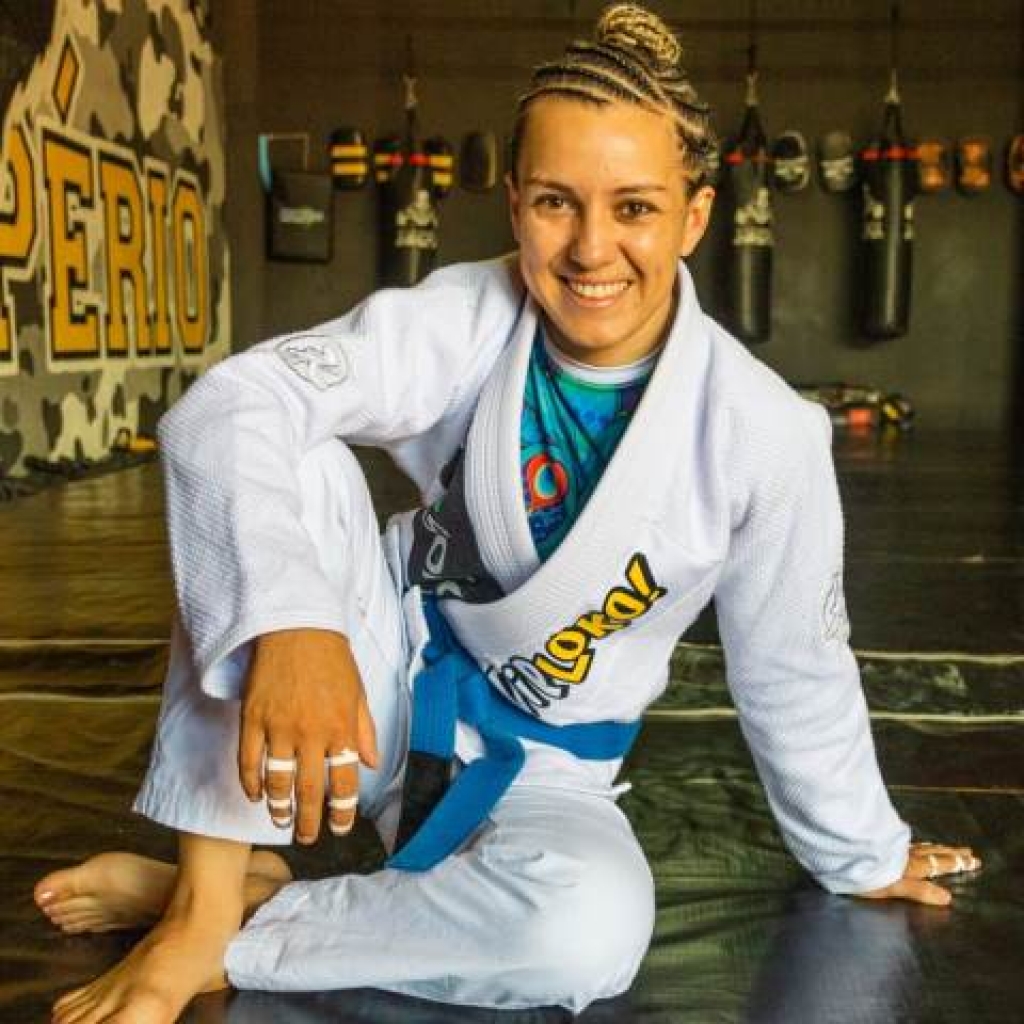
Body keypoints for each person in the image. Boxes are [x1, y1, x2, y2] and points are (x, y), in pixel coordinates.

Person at [35, 5, 980, 1023]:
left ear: (695, 217)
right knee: (279, 452)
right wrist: (293, 620)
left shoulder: (763, 433)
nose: (591, 248)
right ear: (515, 204)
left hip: (545, 769)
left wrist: (861, 853)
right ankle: (202, 904)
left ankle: (252, 922)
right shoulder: (465, 319)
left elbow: (794, 665)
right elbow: (230, 404)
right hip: (370, 682)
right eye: (556, 203)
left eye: (634, 207)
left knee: (587, 936)